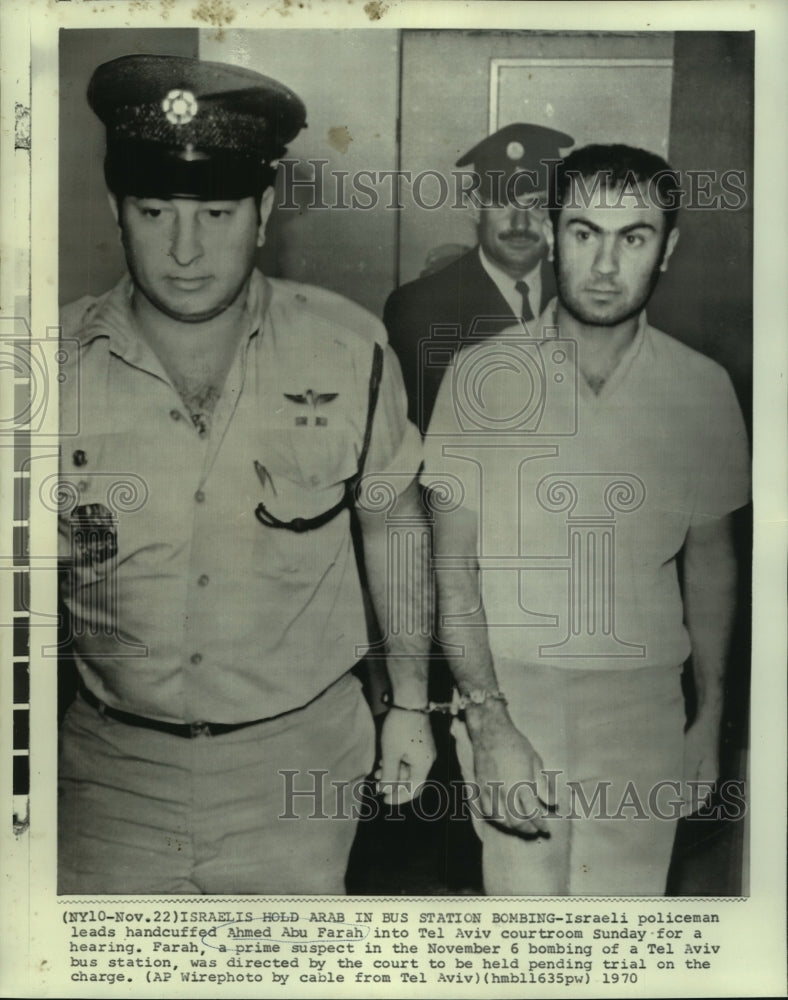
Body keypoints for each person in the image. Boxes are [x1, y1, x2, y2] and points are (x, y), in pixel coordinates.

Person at [57, 53, 434, 895]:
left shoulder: (348, 346)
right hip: (111, 771)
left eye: (217, 213)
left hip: (299, 763)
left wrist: (410, 702)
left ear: (264, 212)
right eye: (154, 211)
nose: (184, 250)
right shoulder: (43, 367)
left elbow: (393, 523)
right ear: (117, 210)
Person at [422, 144, 750, 895]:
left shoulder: (703, 389)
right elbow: (450, 566)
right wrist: (488, 719)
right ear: (548, 230)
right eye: (583, 232)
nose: (606, 264)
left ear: (667, 248)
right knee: (527, 937)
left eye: (632, 237)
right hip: (516, 692)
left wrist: (712, 720)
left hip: (644, 703)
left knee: (622, 936)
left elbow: (711, 562)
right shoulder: (481, 376)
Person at [383, 122, 573, 433]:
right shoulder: (418, 309)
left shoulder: (582, 296)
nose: (519, 222)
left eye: (536, 203)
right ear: (474, 206)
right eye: (502, 202)